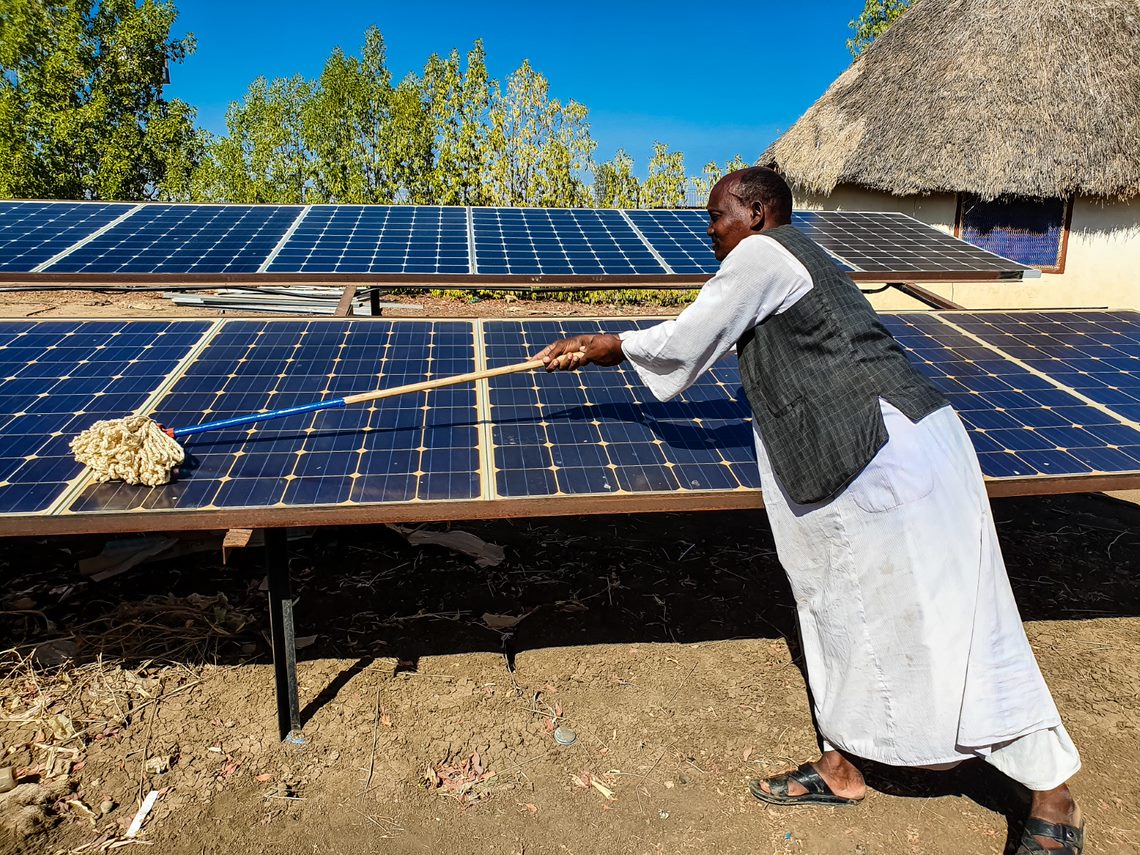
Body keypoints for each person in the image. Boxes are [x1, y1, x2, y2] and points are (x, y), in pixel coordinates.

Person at [535, 167, 1084, 854]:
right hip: (850, 468)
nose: (711, 232)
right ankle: (844, 764)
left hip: (892, 457)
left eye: (718, 216)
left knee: (963, 624)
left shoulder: (765, 253)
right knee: (837, 613)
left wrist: (605, 347)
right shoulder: (787, 262)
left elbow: (691, 335)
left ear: (759, 212)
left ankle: (1052, 795)